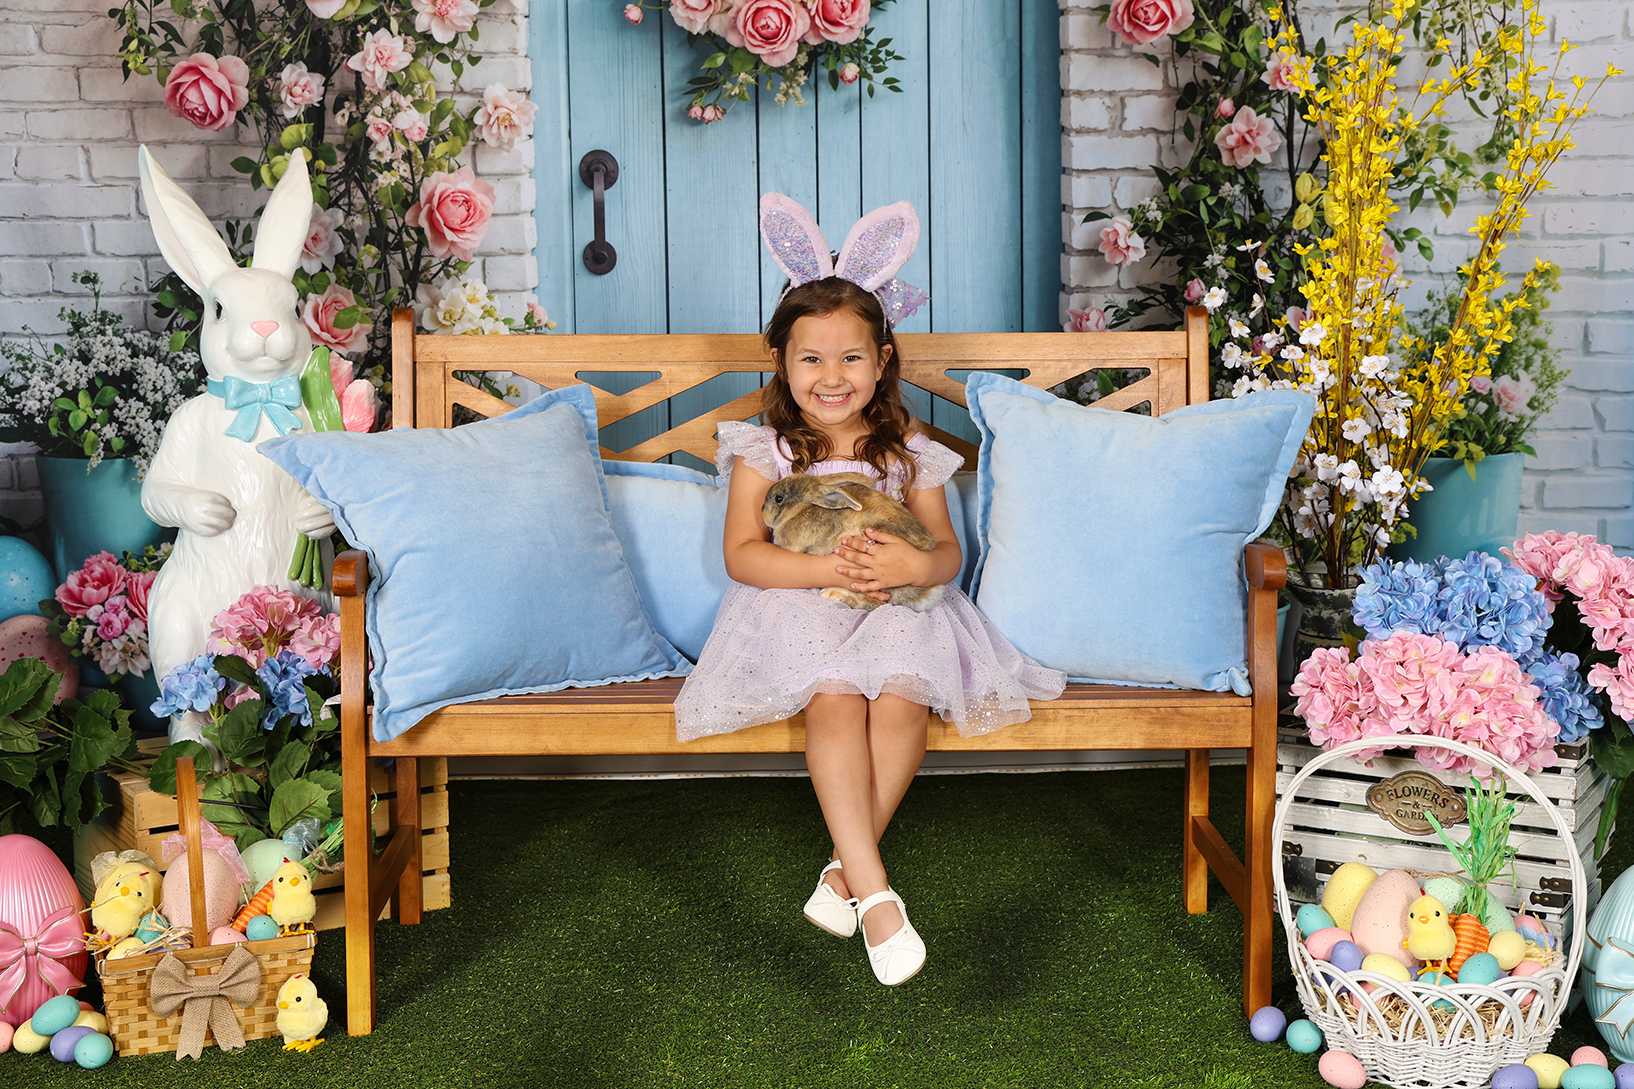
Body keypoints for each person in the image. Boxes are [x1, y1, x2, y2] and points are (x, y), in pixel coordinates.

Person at [673, 195, 1065, 987]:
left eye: (851, 357)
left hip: (901, 608)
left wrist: (908, 567)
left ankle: (841, 875)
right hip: (797, 608)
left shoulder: (909, 452)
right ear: (781, 363)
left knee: (901, 695)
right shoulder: (766, 448)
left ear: (883, 361)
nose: (831, 376)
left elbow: (946, 552)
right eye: (811, 358)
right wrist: (829, 569)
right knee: (834, 697)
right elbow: (745, 556)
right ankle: (876, 892)